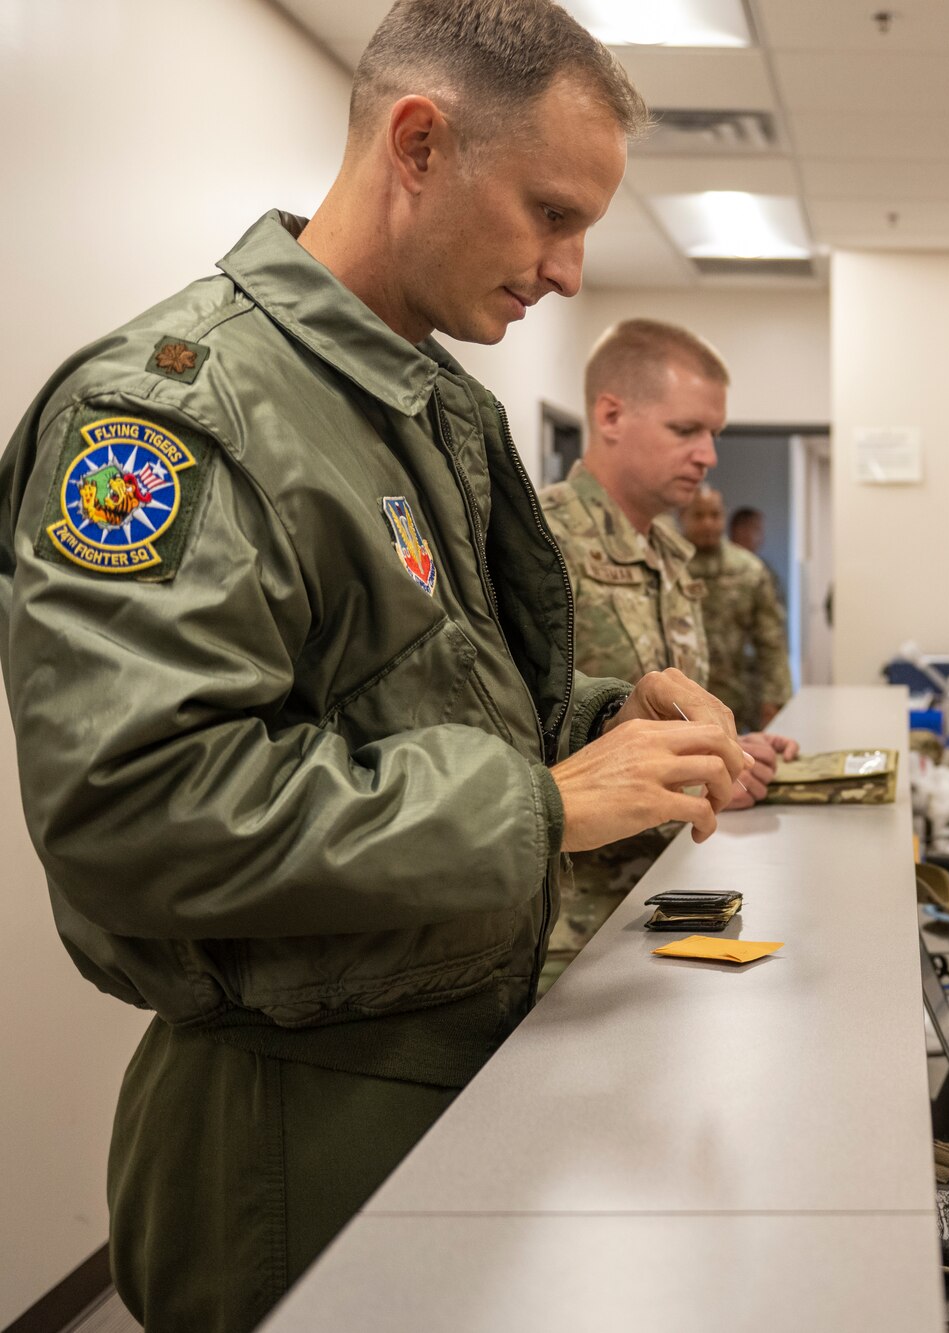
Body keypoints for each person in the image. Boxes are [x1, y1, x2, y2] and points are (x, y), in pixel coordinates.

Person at [0, 4, 757, 1327]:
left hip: (455, 1047)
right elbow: (135, 808)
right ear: (420, 143)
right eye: (551, 215)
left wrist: (607, 719)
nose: (571, 273)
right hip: (296, 1117)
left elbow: (435, 696)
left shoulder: (428, 402)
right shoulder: (178, 409)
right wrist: (550, 804)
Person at [538, 319, 795, 990]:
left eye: (715, 434)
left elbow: (656, 725)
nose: (709, 456)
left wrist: (725, 754)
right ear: (611, 415)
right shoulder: (538, 542)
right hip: (569, 934)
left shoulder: (670, 555)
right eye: (687, 431)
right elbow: (510, 741)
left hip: (665, 899)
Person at [684, 484, 794, 729]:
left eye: (715, 515)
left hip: (740, 699)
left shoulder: (748, 569)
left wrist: (774, 699)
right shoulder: (667, 567)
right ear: (683, 517)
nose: (708, 524)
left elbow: (771, 641)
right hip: (681, 701)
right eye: (699, 516)